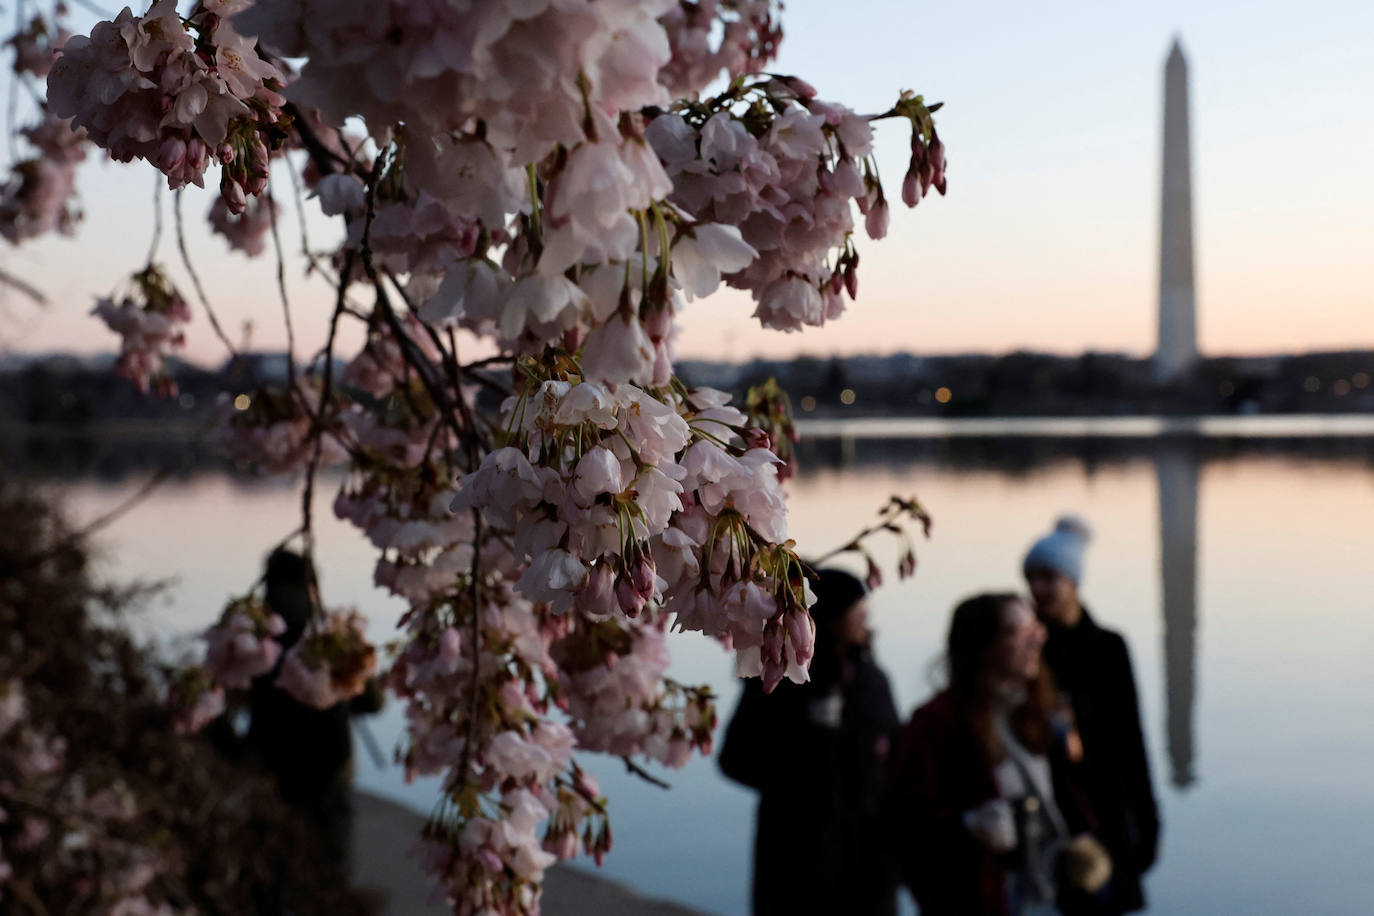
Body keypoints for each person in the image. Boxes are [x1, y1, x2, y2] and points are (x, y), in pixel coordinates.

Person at [889, 593, 1110, 916]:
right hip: (982, 900)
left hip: (1053, 896)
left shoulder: (1043, 712)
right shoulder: (937, 723)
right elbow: (902, 824)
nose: (1037, 638)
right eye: (1019, 631)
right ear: (982, 647)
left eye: (1035, 627)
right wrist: (966, 826)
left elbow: (1069, 792)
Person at [718, 568, 901, 916]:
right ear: (829, 616)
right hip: (796, 852)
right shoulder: (777, 681)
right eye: (856, 607)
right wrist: (805, 743)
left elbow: (895, 754)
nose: (865, 616)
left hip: (867, 853)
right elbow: (735, 759)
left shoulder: (872, 679)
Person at [1023, 517, 1160, 913]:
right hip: (1051, 818)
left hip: (1110, 812)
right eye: (1031, 578)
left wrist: (1147, 824)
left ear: (1073, 581)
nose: (1038, 589)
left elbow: (1133, 740)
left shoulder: (1109, 648)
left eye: (1049, 577)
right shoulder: (1025, 651)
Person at [246, 548, 383, 868]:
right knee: (328, 867)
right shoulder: (334, 635)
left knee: (274, 869)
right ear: (313, 584)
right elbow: (372, 702)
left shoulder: (254, 636)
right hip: (330, 768)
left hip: (271, 770)